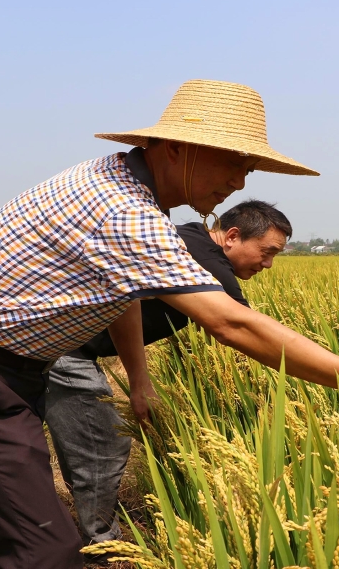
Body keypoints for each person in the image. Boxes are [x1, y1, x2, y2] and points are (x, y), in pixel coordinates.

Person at [0, 79, 339, 569]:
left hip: (2, 368)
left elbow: (120, 296)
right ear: (175, 148)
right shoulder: (125, 212)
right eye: (232, 163)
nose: (239, 182)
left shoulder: (128, 188)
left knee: (18, 544)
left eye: (248, 168)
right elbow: (234, 326)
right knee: (45, 553)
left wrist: (138, 378)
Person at [45, 199, 292, 559]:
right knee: (105, 444)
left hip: (64, 343)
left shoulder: (188, 237)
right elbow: (246, 330)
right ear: (233, 236)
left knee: (85, 440)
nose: (268, 264)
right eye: (266, 252)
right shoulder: (210, 267)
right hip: (64, 348)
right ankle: (104, 547)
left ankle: (83, 523)